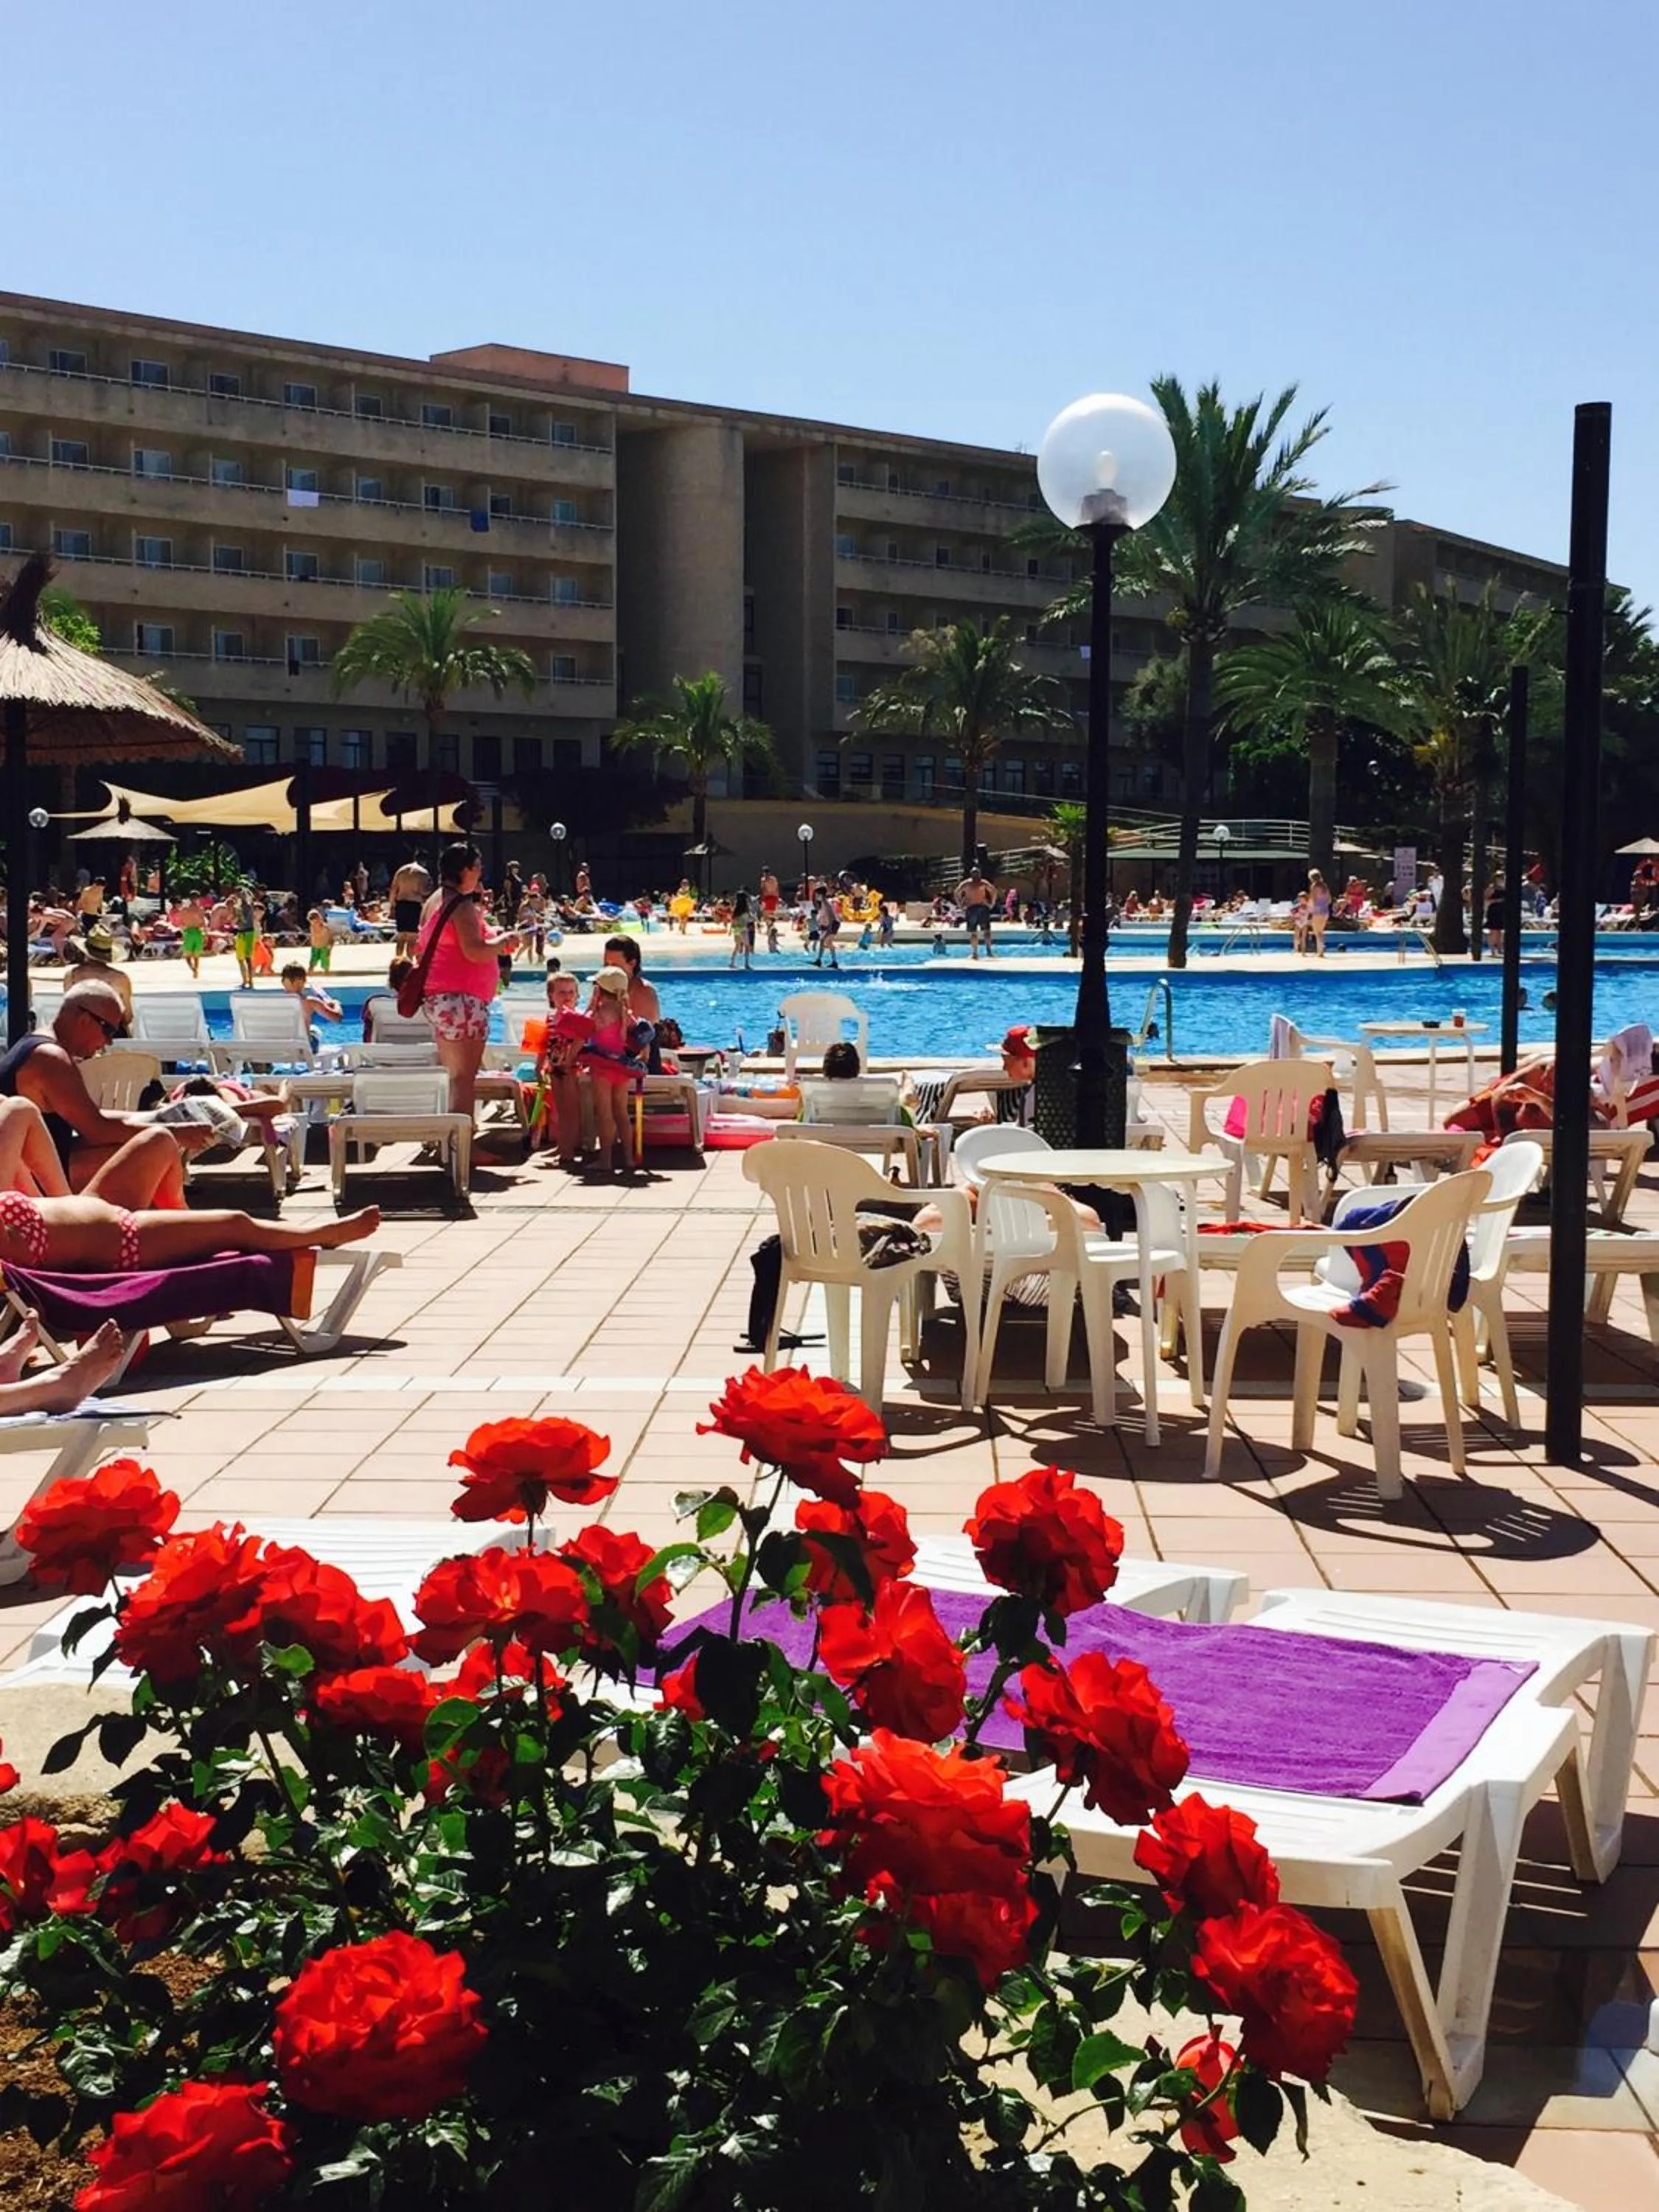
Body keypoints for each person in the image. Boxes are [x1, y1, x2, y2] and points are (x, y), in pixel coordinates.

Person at [0, 1098, 380, 1273]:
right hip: (121, 1237)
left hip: (89, 1203)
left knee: (161, 1140)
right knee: (235, 1224)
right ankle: (322, 1232)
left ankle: (181, 1226)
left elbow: (18, 1112)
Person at [0, 982, 212, 1203]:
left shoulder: (37, 1044)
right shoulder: (51, 1059)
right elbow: (97, 1130)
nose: (109, 1041)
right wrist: (175, 1133)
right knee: (151, 1154)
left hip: (38, 1167)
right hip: (35, 1182)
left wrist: (161, 1116)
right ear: (84, 1020)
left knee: (144, 1144)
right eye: (109, 1030)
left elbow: (90, 1116)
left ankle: (166, 1221)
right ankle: (144, 1228)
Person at [413, 842, 518, 1120]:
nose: (480, 873)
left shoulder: (435, 900)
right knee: (464, 1078)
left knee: (455, 1076)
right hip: (461, 1001)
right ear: (464, 870)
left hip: (441, 999)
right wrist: (502, 943)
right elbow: (474, 950)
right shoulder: (460, 904)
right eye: (477, 867)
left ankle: (455, 1141)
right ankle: (464, 1146)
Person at [579, 967, 639, 1175]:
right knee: (621, 1113)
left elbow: (583, 1027)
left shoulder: (599, 1013)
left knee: (604, 1113)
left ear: (600, 990)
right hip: (620, 1067)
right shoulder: (625, 1012)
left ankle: (606, 1159)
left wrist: (592, 1004)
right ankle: (629, 1158)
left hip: (602, 1066)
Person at [534, 971, 585, 1167]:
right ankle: (563, 1145)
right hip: (555, 1068)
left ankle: (568, 1152)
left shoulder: (577, 1018)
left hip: (573, 1069)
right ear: (551, 996)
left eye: (572, 992)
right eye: (562, 992)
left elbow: (582, 1040)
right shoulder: (550, 1019)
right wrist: (539, 1066)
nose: (568, 996)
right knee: (560, 1110)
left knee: (570, 1110)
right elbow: (543, 1044)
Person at [601, 936, 661, 1026]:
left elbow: (646, 1035)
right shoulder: (603, 987)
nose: (609, 970)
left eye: (615, 966)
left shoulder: (644, 991)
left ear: (632, 963)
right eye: (606, 965)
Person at [280, 962, 344, 1040]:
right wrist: (336, 1004)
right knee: (315, 1031)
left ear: (283, 982)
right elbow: (337, 1019)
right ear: (302, 982)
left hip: (280, 1047)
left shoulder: (275, 1002)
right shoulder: (311, 1002)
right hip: (303, 1048)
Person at [389, 851, 434, 958]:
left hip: (401, 903)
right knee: (412, 937)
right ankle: (409, 962)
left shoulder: (402, 870)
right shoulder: (423, 873)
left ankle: (398, 961)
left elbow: (394, 889)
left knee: (401, 936)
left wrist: (392, 905)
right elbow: (424, 891)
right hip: (414, 905)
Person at [361, 958, 413, 1043]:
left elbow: (367, 1036)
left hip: (382, 1053)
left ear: (391, 982)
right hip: (424, 1053)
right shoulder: (429, 1005)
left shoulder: (373, 1004)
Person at [957, 867, 998, 960]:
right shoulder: (977, 883)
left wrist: (960, 904)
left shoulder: (977, 883)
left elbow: (957, 892)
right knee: (981, 932)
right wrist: (992, 903)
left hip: (976, 908)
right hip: (978, 908)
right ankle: (984, 952)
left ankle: (979, 953)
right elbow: (994, 891)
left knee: (978, 932)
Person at [231, 885, 260, 990]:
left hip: (246, 932)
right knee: (244, 959)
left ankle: (248, 981)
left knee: (245, 959)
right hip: (245, 932)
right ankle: (247, 981)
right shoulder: (243, 907)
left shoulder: (245, 906)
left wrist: (238, 917)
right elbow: (235, 921)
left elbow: (235, 921)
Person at [175, 894, 208, 981]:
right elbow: (204, 923)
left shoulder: (184, 910)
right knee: (197, 955)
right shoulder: (200, 910)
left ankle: (193, 969)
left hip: (188, 932)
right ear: (197, 899)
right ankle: (196, 970)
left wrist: (182, 934)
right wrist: (206, 935)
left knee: (187, 955)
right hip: (197, 932)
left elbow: (181, 924)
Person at [811, 883, 841, 970]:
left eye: (816, 894)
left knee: (823, 941)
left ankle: (819, 961)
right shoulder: (824, 903)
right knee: (828, 943)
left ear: (820, 894)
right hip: (832, 924)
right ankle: (833, 961)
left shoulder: (825, 903)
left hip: (832, 924)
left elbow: (831, 916)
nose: (815, 896)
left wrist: (829, 928)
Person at [1305, 869, 1331, 958]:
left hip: (1317, 911)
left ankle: (1320, 952)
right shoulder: (1325, 887)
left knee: (1317, 933)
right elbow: (1329, 900)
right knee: (1321, 932)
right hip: (1325, 911)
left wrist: (1309, 909)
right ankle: (1321, 951)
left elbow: (1313, 900)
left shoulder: (1314, 887)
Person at [729, 891, 754, 970]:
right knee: (747, 946)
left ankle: (732, 963)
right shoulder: (746, 909)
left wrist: (731, 930)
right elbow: (750, 918)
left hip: (736, 929)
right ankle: (746, 964)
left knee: (737, 946)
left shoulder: (736, 909)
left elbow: (733, 920)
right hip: (743, 929)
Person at [307, 908, 333, 973]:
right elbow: (313, 937)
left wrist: (330, 949)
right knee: (312, 963)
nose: (314, 922)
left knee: (325, 964)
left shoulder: (325, 928)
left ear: (319, 919)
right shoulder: (312, 927)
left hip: (324, 947)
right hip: (315, 947)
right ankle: (310, 973)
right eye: (312, 920)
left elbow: (331, 939)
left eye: (316, 920)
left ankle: (326, 973)